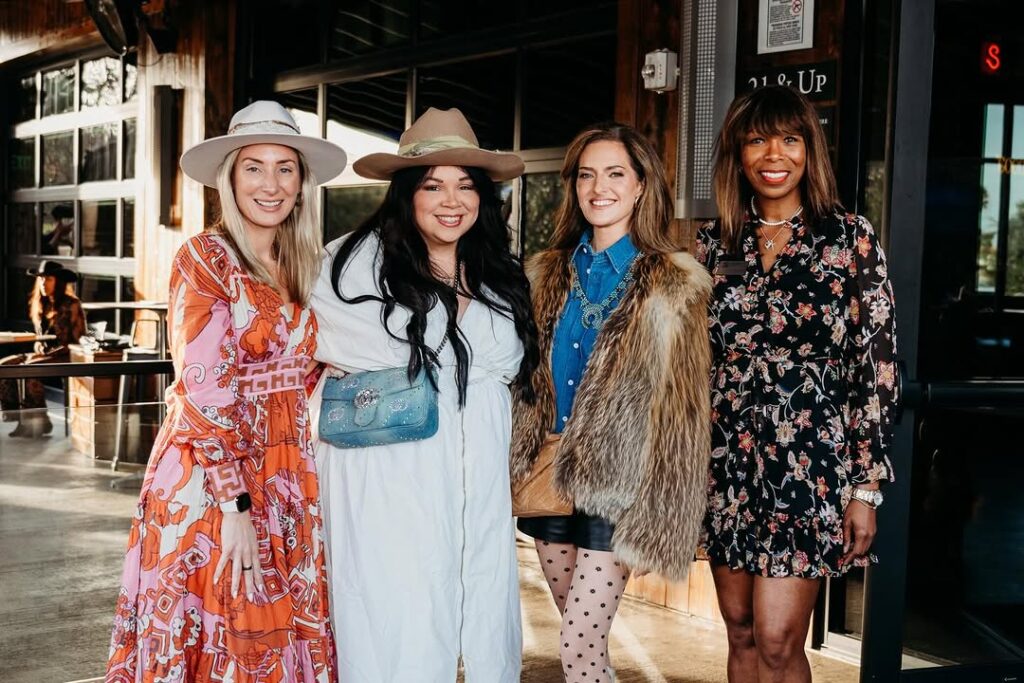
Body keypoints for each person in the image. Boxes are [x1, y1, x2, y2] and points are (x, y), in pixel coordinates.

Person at [105, 100, 348, 682]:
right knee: (228, 625)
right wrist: (235, 504)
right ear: (230, 178)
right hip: (213, 479)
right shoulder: (205, 257)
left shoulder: (300, 260)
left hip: (285, 474)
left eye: (285, 168)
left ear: (301, 181)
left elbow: (289, 374)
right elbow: (203, 387)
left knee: (272, 625)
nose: (271, 184)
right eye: (254, 167)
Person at [310, 107, 539, 682]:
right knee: (393, 617)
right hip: (389, 480)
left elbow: (504, 366)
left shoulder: (494, 273)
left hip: (475, 480)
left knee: (478, 611)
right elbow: (334, 347)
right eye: (433, 184)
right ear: (406, 193)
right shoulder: (351, 267)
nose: (450, 199)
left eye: (465, 185)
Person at [695, 85, 899, 683]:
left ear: (810, 150)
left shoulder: (850, 239)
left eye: (789, 139)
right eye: (756, 140)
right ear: (738, 154)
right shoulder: (715, 242)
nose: (772, 154)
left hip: (808, 468)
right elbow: (698, 360)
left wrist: (867, 487)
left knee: (779, 640)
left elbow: (876, 370)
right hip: (727, 461)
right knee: (739, 632)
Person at [510, 122, 713, 683]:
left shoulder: (676, 282)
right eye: (586, 174)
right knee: (587, 649)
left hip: (619, 488)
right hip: (548, 477)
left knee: (575, 645)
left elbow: (683, 412)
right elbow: (521, 383)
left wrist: (665, 511)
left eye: (616, 173)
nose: (599, 187)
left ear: (642, 184)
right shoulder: (543, 273)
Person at [0, 260, 86, 437]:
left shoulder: (72, 305)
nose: (43, 283)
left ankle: (41, 422)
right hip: (43, 355)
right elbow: (40, 337)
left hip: (67, 355)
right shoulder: (41, 305)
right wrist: (38, 345)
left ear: (58, 282)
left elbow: (79, 341)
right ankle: (23, 420)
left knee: (29, 369)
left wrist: (55, 350)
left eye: (48, 279)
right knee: (4, 366)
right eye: (40, 279)